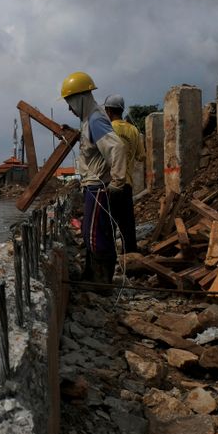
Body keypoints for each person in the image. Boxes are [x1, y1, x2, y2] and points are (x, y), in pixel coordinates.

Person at [60, 71, 127, 285]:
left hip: (98, 187)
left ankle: (101, 282)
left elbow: (116, 148)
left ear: (79, 98)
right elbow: (92, 144)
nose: (69, 108)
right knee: (93, 232)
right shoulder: (90, 120)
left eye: (69, 102)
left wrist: (117, 182)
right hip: (94, 186)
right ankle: (94, 276)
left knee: (96, 235)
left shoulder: (96, 119)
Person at [104, 94, 145, 254]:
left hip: (110, 183)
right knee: (127, 224)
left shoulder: (107, 129)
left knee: (108, 223)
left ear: (107, 111)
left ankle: (108, 257)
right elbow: (141, 156)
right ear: (121, 110)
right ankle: (130, 256)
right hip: (127, 183)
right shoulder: (133, 130)